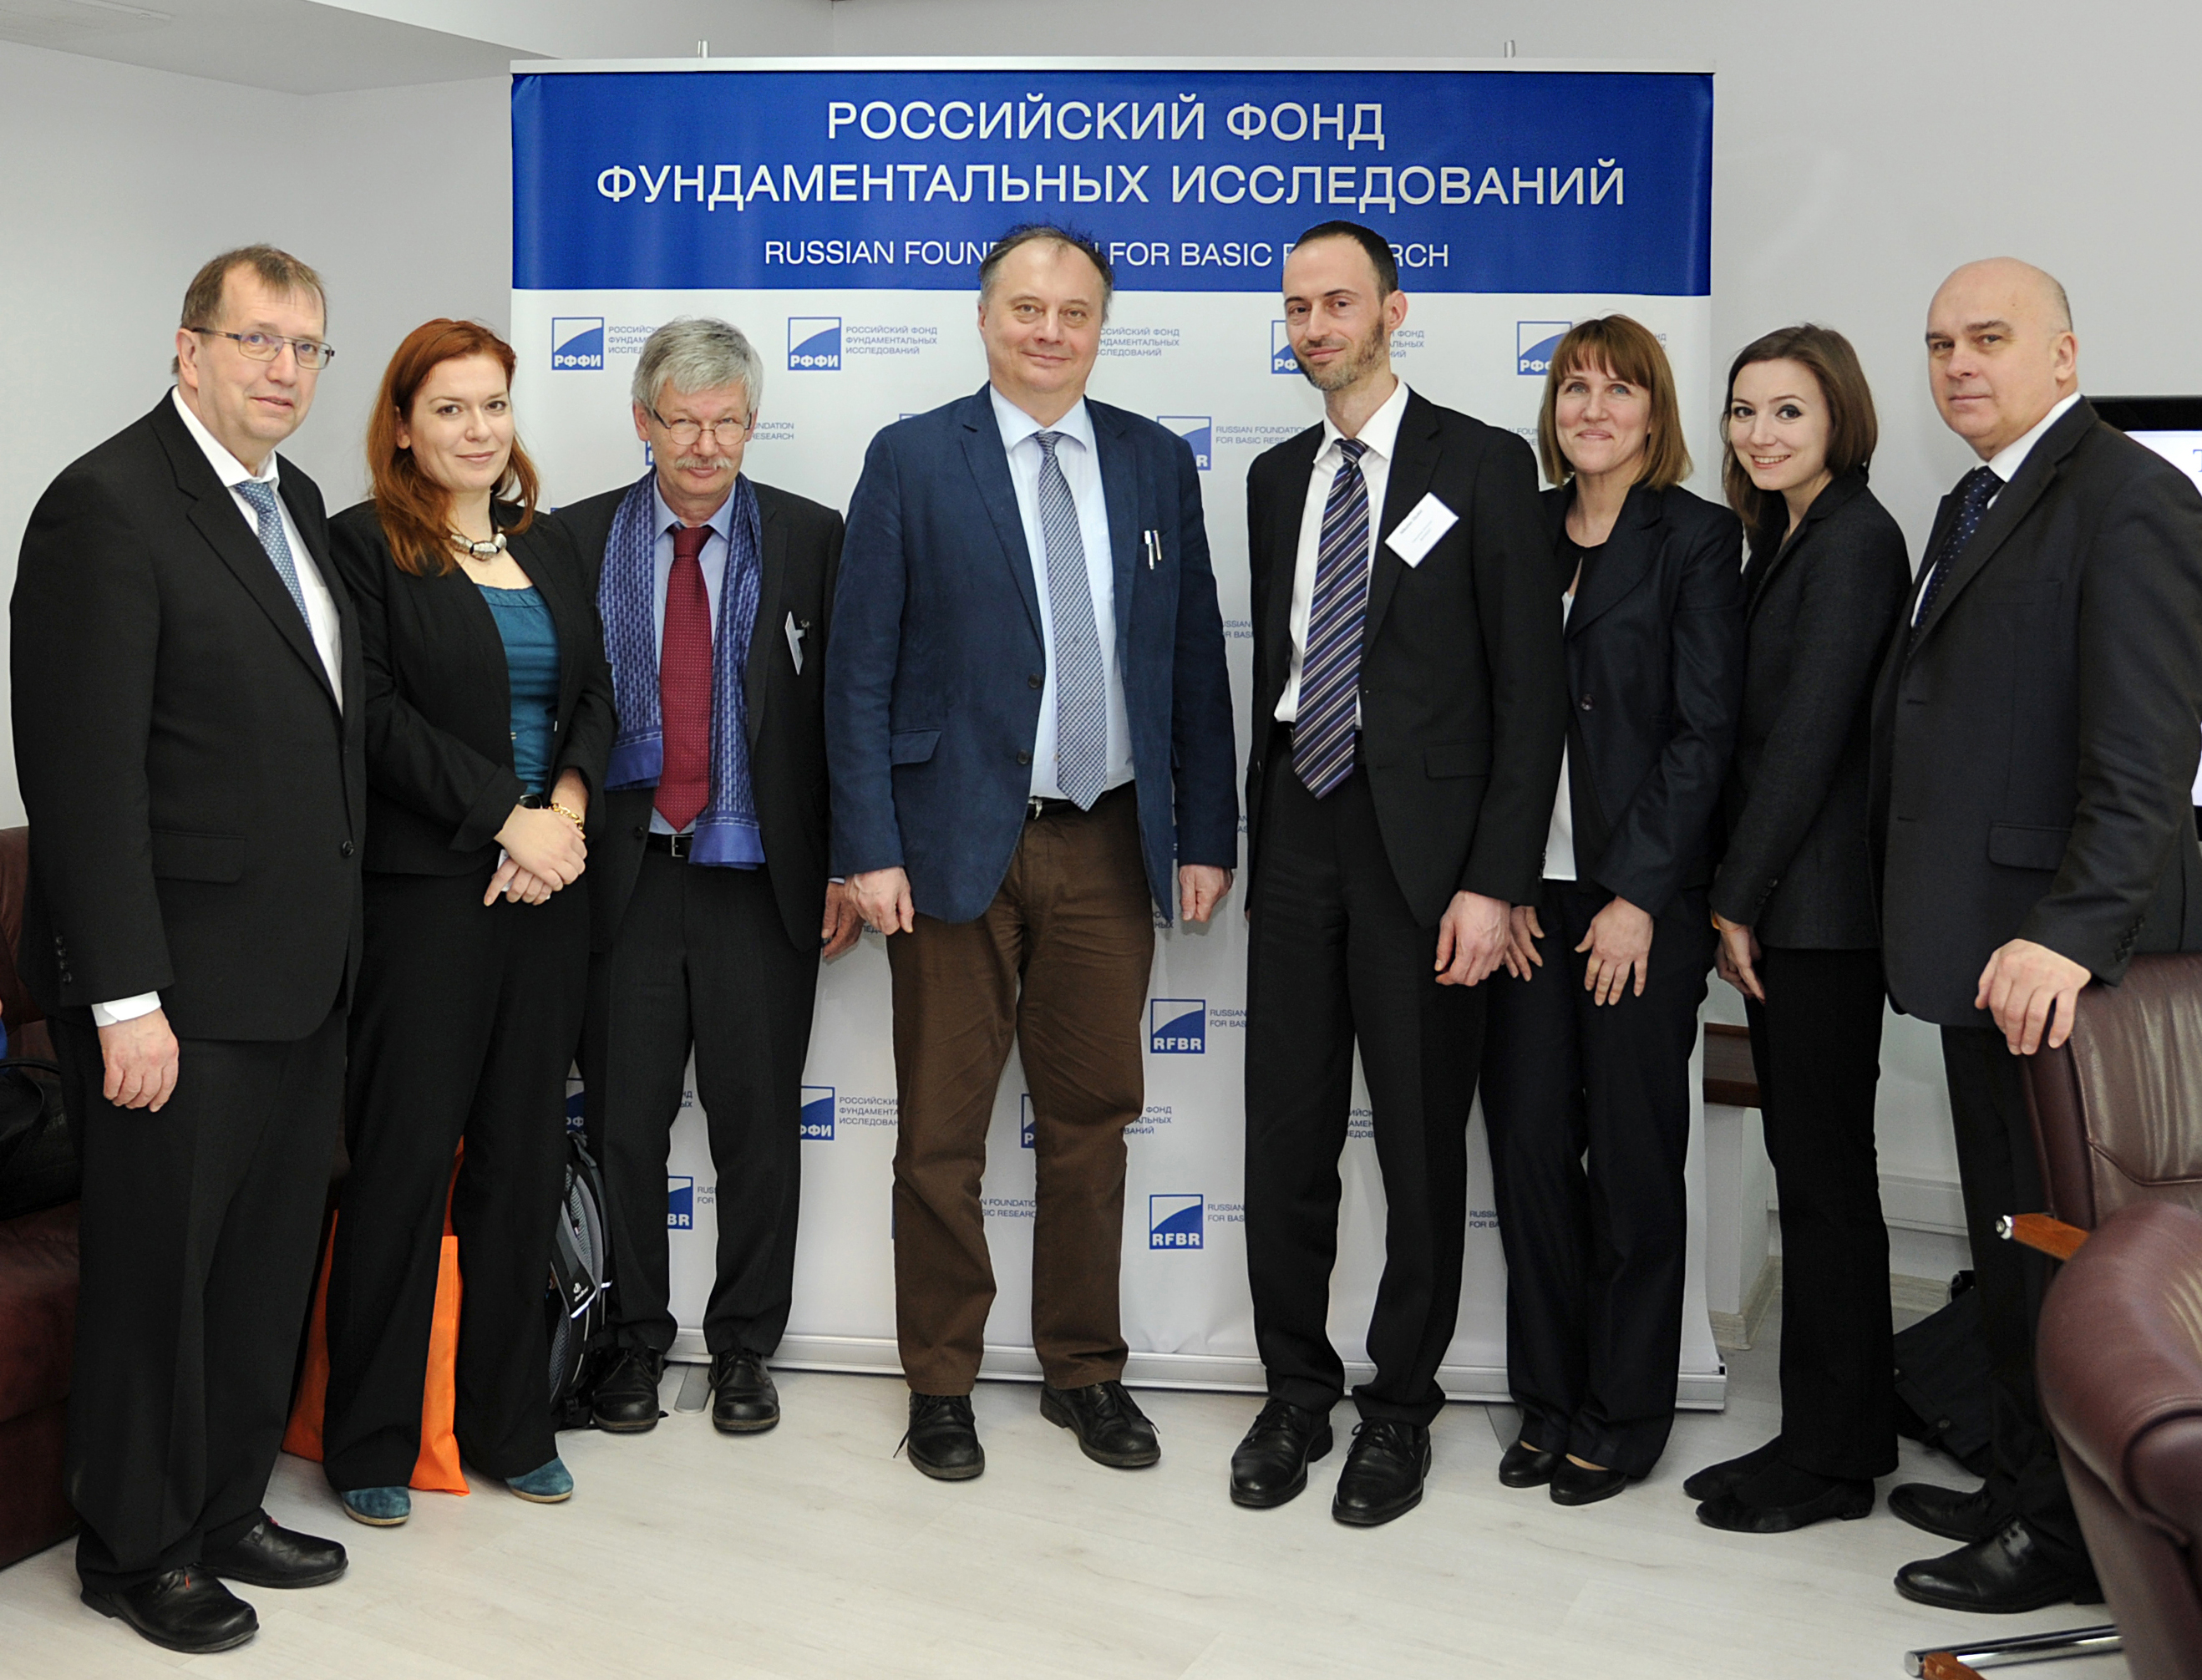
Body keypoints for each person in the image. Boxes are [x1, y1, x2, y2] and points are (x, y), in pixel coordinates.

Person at [829, 225, 1236, 1480]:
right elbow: (856, 673)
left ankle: (1085, 1370)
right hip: (948, 847)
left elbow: (1193, 665)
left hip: (1110, 841)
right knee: (941, 1137)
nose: (1048, 331)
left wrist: (1207, 831)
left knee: (1091, 1123)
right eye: (1025, 308)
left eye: (1073, 312)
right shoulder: (909, 459)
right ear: (984, 316)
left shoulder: (1157, 463)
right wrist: (868, 846)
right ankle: (940, 1384)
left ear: (1102, 325)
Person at [11, 246, 360, 1653]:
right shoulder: (105, 507)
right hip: (177, 996)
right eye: (257, 340)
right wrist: (124, 1000)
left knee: (261, 1273)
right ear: (189, 349)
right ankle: (133, 1547)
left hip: (299, 981)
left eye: (308, 348)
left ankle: (221, 1509)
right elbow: (82, 782)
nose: (284, 370)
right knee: (159, 1282)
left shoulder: (302, 504)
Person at [1874, 258, 2202, 1613]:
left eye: (1991, 338)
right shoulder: (1978, 495)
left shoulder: (2132, 500)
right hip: (1979, 952)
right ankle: (2026, 1487)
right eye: (1942, 342)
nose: (1959, 362)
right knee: (2010, 1248)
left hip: (2056, 970)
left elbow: (2146, 759)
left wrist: (2066, 935)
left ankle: (2065, 1541)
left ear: (2064, 356)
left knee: (2055, 1254)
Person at [1230, 221, 1566, 1527]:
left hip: (1429, 864)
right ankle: (1295, 1392)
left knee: (1423, 1143)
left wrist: (1497, 882)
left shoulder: (1480, 464)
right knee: (1286, 1135)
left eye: (1340, 303)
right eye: (1298, 306)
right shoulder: (1272, 477)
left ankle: (1400, 1409)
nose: (1316, 326)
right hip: (1301, 830)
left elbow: (1531, 703)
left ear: (1393, 309)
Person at [318, 320, 614, 1525]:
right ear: (401, 424)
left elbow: (595, 695)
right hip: (427, 902)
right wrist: (507, 818)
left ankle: (508, 1420)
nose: (477, 429)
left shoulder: (548, 548)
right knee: (401, 1167)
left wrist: (567, 818)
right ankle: (372, 1440)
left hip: (546, 899)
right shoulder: (360, 548)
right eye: (449, 409)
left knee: (519, 1164)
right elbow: (373, 720)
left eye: (493, 406)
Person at [560, 317, 858, 1438]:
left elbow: (844, 716)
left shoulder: (813, 541)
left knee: (756, 1127)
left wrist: (843, 862)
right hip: (623, 879)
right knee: (627, 1125)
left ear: (749, 422)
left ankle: (744, 1349)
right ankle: (633, 1343)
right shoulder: (571, 539)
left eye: (726, 421)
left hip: (759, 879)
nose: (703, 445)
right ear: (642, 421)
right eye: (681, 421)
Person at [1479, 315, 1744, 1510]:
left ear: (1654, 412)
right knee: (1531, 1149)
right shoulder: (1521, 531)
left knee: (1632, 1161)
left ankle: (1625, 1407)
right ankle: (1547, 1395)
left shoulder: (1696, 537)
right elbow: (1483, 716)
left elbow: (1703, 734)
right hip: (1528, 907)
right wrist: (1501, 878)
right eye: (1574, 387)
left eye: (1619, 391)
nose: (1593, 408)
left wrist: (1636, 894)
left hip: (1640, 906)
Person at [1683, 326, 1911, 1533]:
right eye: (1745, 412)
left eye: (1789, 413)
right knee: (1815, 1180)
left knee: (1824, 1186)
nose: (1761, 435)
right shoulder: (1791, 536)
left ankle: (1828, 1467)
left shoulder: (1856, 542)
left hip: (1818, 917)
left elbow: (1810, 742)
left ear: (1840, 421)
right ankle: (1842, 1432)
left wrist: (1735, 899)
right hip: (1798, 907)